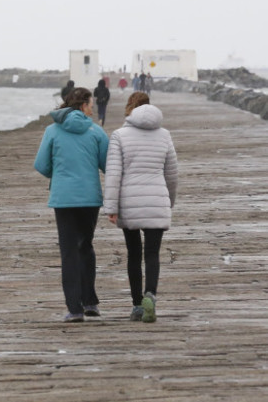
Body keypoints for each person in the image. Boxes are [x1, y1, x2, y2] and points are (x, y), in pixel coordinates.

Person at [34, 87, 109, 322]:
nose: (93, 108)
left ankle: (74, 309)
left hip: (63, 198)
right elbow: (108, 164)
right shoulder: (96, 132)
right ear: (83, 106)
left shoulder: (52, 131)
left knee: (68, 252)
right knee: (85, 246)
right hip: (89, 198)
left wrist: (59, 176)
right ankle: (91, 303)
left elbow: (41, 165)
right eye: (91, 104)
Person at [103, 92, 178, 322]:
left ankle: (137, 305)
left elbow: (114, 174)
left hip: (129, 201)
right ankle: (151, 296)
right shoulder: (164, 135)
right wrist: (169, 201)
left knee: (134, 255)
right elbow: (172, 174)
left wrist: (111, 207)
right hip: (156, 199)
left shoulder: (119, 135)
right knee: (153, 254)